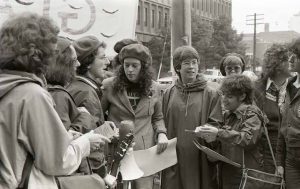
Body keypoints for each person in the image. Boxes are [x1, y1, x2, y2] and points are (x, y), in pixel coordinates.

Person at [0, 13, 106, 189]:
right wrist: (85, 143)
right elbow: (58, 161)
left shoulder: (7, 85)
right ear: (40, 52)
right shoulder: (32, 94)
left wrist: (65, 137)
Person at [101, 43, 169, 189]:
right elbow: (99, 118)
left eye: (134, 66)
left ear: (143, 67)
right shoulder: (108, 86)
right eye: (126, 65)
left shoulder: (154, 87)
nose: (130, 70)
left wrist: (162, 134)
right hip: (116, 151)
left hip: (143, 152)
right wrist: (109, 134)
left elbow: (158, 117)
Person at [161, 46, 223, 189]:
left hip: (198, 158)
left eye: (194, 62)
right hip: (173, 157)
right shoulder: (169, 93)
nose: (191, 67)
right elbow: (162, 122)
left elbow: (217, 124)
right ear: (178, 67)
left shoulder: (211, 93)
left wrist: (210, 132)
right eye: (186, 63)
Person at [197, 75, 265, 189]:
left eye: (229, 96)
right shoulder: (228, 114)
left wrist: (218, 133)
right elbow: (227, 142)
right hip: (230, 173)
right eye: (223, 94)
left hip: (246, 175)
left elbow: (248, 139)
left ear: (243, 96)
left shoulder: (252, 113)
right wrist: (212, 140)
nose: (224, 99)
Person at [253, 44, 290, 174]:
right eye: (288, 60)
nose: (293, 63)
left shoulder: (295, 88)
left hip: (291, 151)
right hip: (265, 151)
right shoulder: (256, 89)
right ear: (278, 65)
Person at [67, 35, 109, 129]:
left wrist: (106, 127)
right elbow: (92, 135)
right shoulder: (87, 93)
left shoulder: (74, 85)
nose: (108, 62)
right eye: (102, 57)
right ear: (88, 63)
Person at [276, 37, 300, 189]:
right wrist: (279, 162)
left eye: (295, 55)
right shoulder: (288, 86)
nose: (290, 59)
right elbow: (283, 126)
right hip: (291, 159)